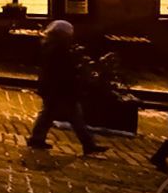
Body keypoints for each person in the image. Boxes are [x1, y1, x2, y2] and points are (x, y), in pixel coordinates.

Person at [27, 20, 109, 155]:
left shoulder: (50, 45)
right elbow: (64, 70)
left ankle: (37, 138)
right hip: (61, 88)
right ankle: (88, 144)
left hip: (53, 87)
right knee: (72, 116)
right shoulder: (60, 48)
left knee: (50, 114)